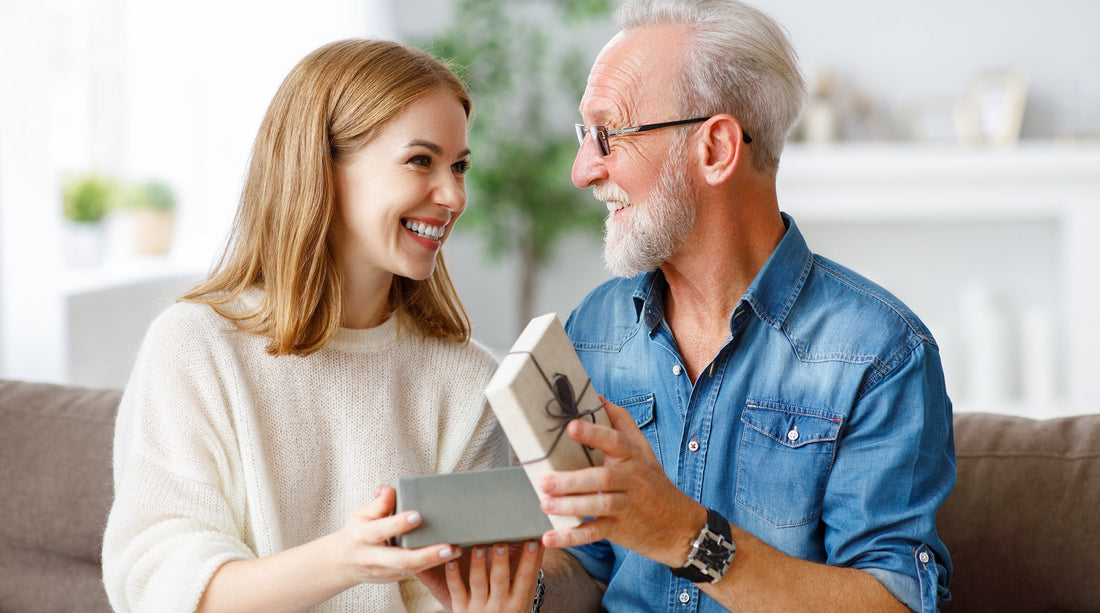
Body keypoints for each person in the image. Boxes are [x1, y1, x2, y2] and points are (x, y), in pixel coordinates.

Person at [535, 1, 955, 611]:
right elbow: (592, 565)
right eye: (584, 136)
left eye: (609, 134)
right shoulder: (593, 332)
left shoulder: (880, 354)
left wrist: (685, 535)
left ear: (716, 149)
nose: (582, 171)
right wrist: (525, 587)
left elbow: (895, 602)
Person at [102, 39, 542, 613]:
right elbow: (159, 587)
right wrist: (345, 560)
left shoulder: (467, 381)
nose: (454, 195)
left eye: (458, 166)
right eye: (420, 160)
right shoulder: (195, 346)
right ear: (321, 166)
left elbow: (456, 593)